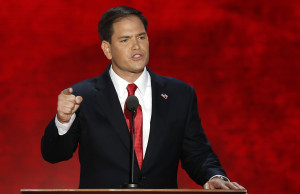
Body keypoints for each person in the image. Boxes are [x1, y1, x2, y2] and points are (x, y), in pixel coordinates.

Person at [41, 6, 245, 190]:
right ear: (107, 49)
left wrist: (214, 176)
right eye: (125, 40)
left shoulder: (179, 94)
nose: (136, 46)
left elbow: (197, 153)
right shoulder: (82, 96)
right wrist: (62, 121)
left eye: (141, 37)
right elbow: (54, 154)